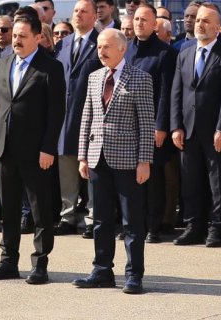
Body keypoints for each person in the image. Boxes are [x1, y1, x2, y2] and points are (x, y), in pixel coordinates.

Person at [0, 13, 66, 285]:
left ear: (38, 38)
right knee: (7, 209)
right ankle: (8, 260)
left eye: (22, 36)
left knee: (40, 210)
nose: (15, 40)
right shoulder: (3, 63)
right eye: (14, 35)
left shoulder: (50, 68)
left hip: (36, 152)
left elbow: (56, 113)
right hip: (5, 148)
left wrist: (48, 148)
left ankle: (39, 263)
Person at [74, 28, 155, 294]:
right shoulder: (95, 77)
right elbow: (87, 117)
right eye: (99, 46)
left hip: (128, 160)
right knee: (100, 218)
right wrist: (83, 156)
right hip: (98, 158)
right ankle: (101, 271)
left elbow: (146, 123)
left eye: (107, 46)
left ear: (122, 49)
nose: (101, 51)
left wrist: (145, 161)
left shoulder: (140, 78)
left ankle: (134, 275)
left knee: (132, 221)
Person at [170, 4, 221, 248]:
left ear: (217, 27)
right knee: (190, 181)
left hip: (214, 131)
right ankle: (193, 226)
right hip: (188, 129)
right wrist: (176, 126)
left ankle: (216, 227)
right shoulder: (185, 52)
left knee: (216, 182)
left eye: (206, 21)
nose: (200, 24)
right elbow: (176, 92)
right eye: (198, 20)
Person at [127, 4, 177, 243]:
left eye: (144, 20)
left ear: (155, 24)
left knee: (153, 179)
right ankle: (133, 225)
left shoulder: (165, 53)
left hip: (152, 125)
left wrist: (161, 126)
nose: (139, 23)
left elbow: (167, 93)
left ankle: (153, 226)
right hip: (127, 125)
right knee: (130, 179)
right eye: (136, 19)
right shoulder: (126, 50)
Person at [56, 0, 102, 236]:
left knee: (92, 168)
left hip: (92, 116)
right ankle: (68, 215)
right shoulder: (62, 45)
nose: (78, 15)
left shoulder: (100, 43)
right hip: (65, 116)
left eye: (84, 11)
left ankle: (93, 217)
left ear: (95, 16)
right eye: (75, 11)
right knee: (66, 166)